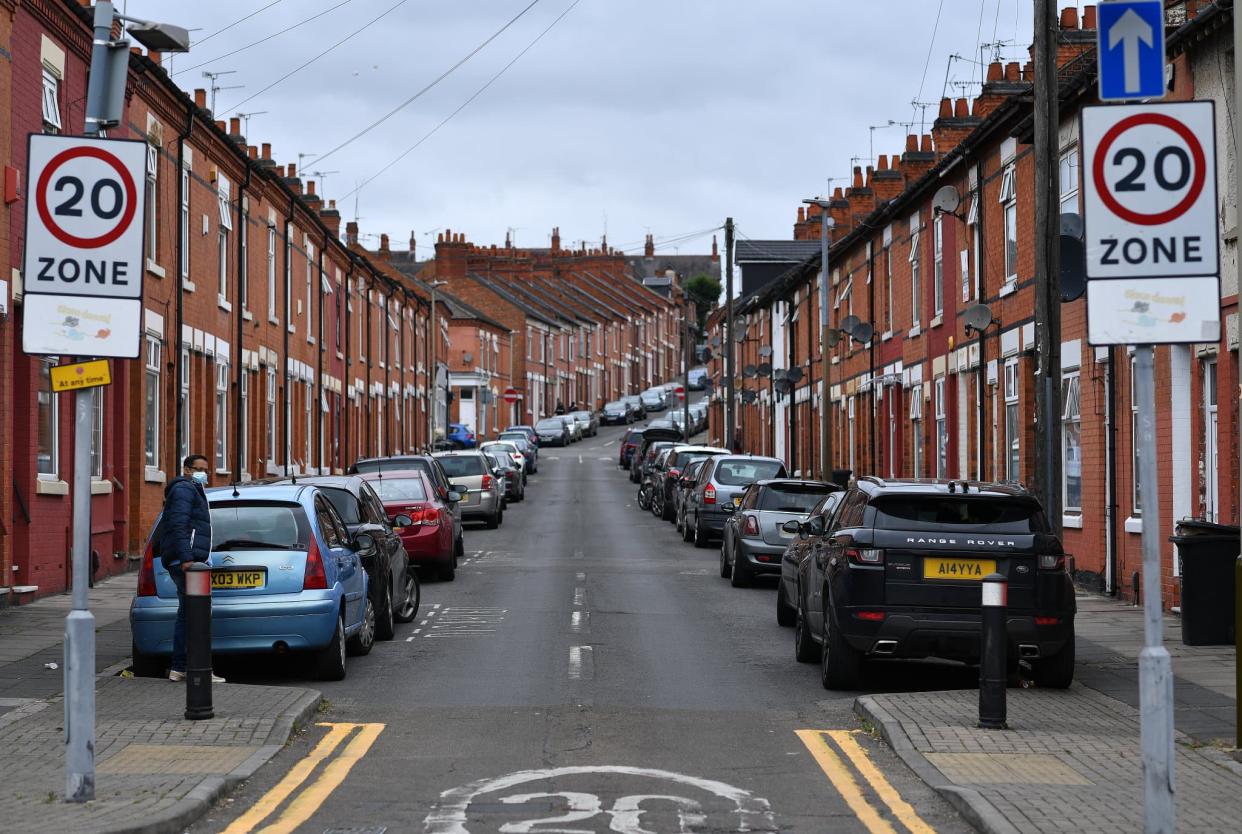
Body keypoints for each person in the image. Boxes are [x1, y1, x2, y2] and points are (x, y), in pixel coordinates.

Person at [159, 454, 225, 683]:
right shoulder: (185, 490)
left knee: (187, 615)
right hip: (187, 562)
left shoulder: (191, 490)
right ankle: (200, 670)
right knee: (198, 616)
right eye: (198, 469)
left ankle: (180, 667)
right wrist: (187, 558)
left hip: (190, 560)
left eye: (205, 469)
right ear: (186, 469)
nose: (203, 473)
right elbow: (179, 524)